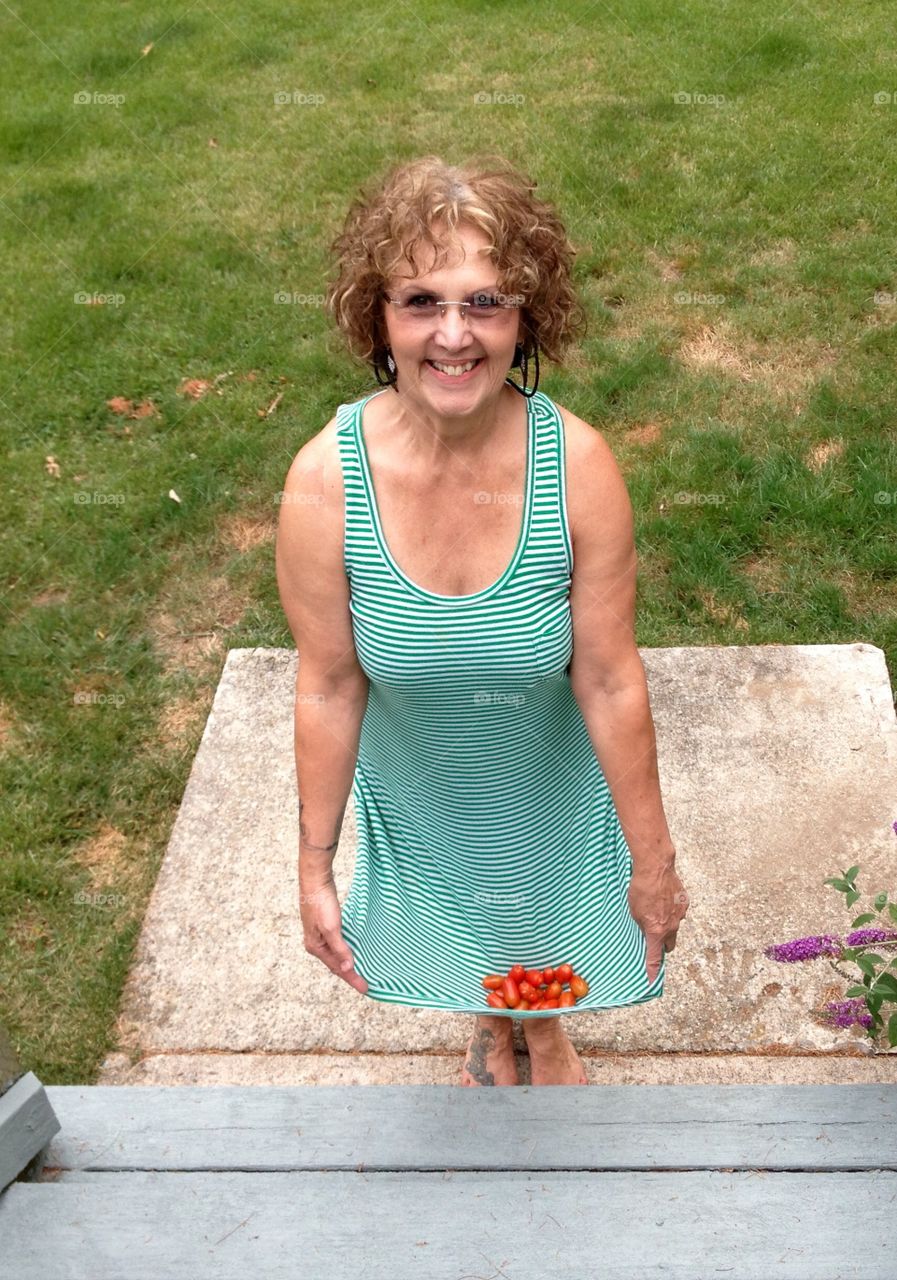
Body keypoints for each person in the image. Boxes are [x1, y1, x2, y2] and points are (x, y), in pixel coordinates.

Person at [275, 155, 689, 1087]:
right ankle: (488, 1016)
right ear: (375, 317)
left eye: (485, 303)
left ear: (524, 319)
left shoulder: (578, 466)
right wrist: (312, 867)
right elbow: (330, 684)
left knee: (531, 908)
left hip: (545, 778)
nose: (453, 336)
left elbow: (610, 675)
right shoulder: (324, 481)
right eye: (420, 301)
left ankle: (536, 1028)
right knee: (464, 907)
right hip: (417, 779)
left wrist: (654, 860)